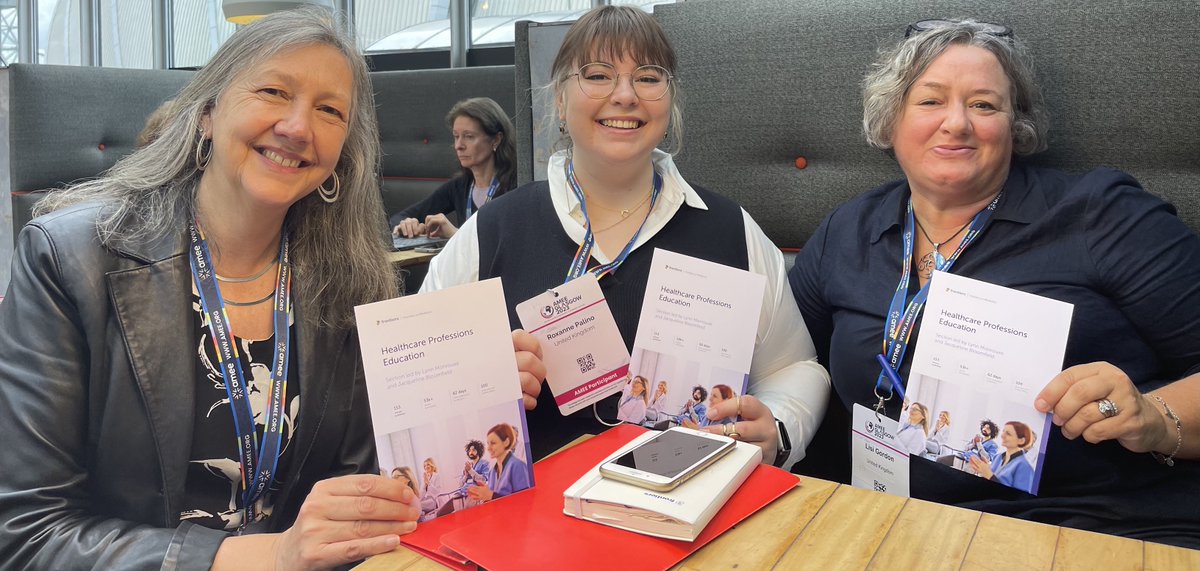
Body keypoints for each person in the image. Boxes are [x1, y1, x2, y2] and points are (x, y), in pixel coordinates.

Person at [0, 8, 549, 569]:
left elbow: (364, 477)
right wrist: (268, 555)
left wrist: (468, 387)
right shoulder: (70, 260)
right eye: (272, 91)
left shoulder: (350, 280)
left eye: (329, 110)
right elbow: (24, 534)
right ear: (207, 113)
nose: (297, 127)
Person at [789, 18, 1200, 547]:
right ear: (890, 121)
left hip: (1098, 525)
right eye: (930, 101)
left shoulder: (1103, 215)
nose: (957, 123)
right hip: (892, 522)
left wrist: (1157, 419)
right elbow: (793, 363)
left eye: (984, 105)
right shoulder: (847, 231)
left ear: (1015, 126)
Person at [422, 6, 829, 469]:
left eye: (649, 78)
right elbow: (418, 391)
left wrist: (775, 426)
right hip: (535, 531)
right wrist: (479, 385)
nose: (625, 95)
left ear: (669, 101)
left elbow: (794, 367)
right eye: (597, 75)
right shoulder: (490, 233)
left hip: (692, 522)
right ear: (559, 99)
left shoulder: (730, 230)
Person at [390, 97, 517, 239]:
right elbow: (398, 218)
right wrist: (407, 225)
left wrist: (455, 234)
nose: (459, 146)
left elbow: (509, 242)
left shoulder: (516, 185)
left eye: (469, 136)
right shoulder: (459, 186)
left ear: (496, 140)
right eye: (456, 137)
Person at [467, 423, 533, 501]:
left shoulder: (518, 466)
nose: (488, 448)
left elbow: (525, 500)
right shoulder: (492, 472)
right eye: (488, 444)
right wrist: (484, 494)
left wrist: (491, 495)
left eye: (493, 443)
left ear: (506, 442)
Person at [970, 421, 1037, 493]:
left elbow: (1018, 500)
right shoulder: (998, 457)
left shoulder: (1024, 467)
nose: (1002, 436)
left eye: (1008, 433)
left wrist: (990, 476)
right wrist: (984, 471)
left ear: (1021, 441)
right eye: (1003, 431)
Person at [436, 439, 492, 517]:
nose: (471, 452)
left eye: (473, 450)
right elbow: (460, 484)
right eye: (469, 450)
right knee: (439, 514)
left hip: (473, 495)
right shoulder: (469, 465)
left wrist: (471, 471)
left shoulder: (484, 463)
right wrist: (465, 474)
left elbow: (483, 480)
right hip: (461, 494)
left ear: (479, 451)